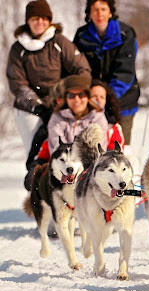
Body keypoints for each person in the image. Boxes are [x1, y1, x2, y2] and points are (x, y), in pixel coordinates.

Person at [6, 0, 91, 171]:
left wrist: (70, 94)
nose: (40, 22)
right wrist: (37, 105)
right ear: (28, 21)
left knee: (61, 148)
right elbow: (17, 82)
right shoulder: (18, 49)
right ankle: (35, 182)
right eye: (36, 18)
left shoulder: (59, 42)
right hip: (29, 108)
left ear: (49, 20)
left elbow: (83, 69)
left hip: (59, 104)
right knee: (36, 149)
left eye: (45, 18)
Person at [74, 0, 140, 145]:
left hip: (122, 103)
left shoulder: (125, 34)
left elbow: (125, 72)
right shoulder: (81, 36)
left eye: (103, 9)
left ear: (110, 12)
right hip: (92, 104)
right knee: (92, 150)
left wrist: (107, 97)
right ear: (89, 13)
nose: (100, 14)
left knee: (120, 151)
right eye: (95, 10)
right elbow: (78, 69)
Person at [47, 75, 108, 153]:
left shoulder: (98, 118)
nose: (76, 100)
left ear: (88, 97)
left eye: (81, 95)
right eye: (71, 95)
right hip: (65, 162)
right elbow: (57, 149)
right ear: (66, 98)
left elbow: (98, 151)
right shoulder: (57, 118)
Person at [90, 79, 125, 150]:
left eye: (102, 97)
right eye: (94, 96)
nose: (98, 99)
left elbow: (116, 152)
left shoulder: (113, 127)